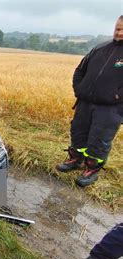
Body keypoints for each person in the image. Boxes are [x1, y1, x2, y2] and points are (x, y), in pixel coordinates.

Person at [56, 16, 123, 187]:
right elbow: (80, 70)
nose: (119, 33)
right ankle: (75, 159)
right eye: (117, 29)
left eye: (122, 30)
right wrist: (79, 89)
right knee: (78, 132)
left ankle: (92, 169)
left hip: (110, 109)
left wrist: (116, 97)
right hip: (85, 102)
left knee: (99, 139)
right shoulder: (100, 48)